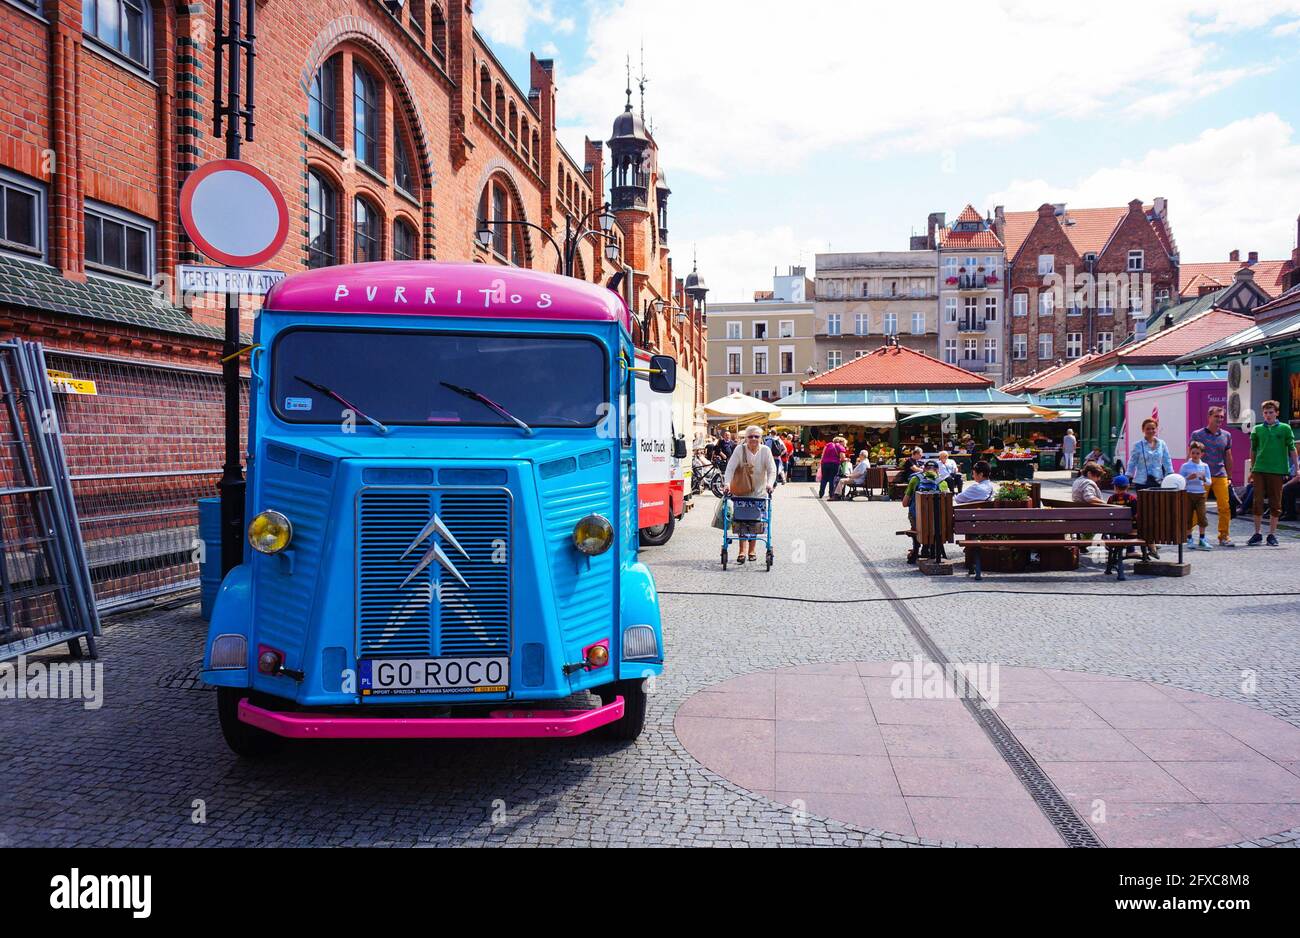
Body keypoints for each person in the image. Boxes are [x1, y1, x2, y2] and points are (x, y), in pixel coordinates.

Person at [722, 425, 778, 564]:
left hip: (759, 492)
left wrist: (770, 484)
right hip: (741, 492)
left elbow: (772, 470)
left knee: (755, 522)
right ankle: (742, 551)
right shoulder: (739, 450)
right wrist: (727, 483)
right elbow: (730, 468)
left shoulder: (766, 451)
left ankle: (752, 550)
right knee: (741, 521)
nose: (753, 439)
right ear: (746, 438)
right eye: (750, 436)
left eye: (756, 436)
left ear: (761, 438)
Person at [1247, 400, 1298, 547]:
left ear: (1277, 413)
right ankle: (1257, 534)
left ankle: (1272, 534)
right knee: (1257, 501)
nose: (1268, 415)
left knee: (1276, 502)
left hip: (1277, 470)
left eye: (1271, 412)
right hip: (1260, 469)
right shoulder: (1257, 429)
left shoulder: (1285, 428)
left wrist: (1297, 467)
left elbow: (1292, 448)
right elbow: (1253, 450)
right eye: (1265, 413)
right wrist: (1252, 467)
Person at [1190, 405, 1236, 547]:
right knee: (1198, 506)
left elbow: (1228, 456)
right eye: (1216, 416)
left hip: (1220, 473)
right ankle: (1187, 533)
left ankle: (1224, 536)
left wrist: (1229, 476)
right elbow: (1191, 454)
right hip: (1202, 473)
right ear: (1209, 417)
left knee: (1224, 506)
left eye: (1222, 417)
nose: (1219, 419)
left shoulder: (1226, 435)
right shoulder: (1197, 434)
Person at [902, 459, 950, 562]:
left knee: (915, 517)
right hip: (938, 525)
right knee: (935, 519)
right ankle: (929, 548)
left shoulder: (915, 480)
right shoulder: (943, 482)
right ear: (937, 470)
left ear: (924, 469)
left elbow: (904, 503)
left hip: (918, 523)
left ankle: (917, 549)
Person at [1180, 440, 1214, 551]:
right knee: (1188, 517)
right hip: (1189, 494)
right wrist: (1188, 478)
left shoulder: (1204, 466)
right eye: (1193, 453)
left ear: (1202, 454)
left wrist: (1204, 478)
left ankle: (1202, 539)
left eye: (1197, 453)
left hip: (1200, 494)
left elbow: (1209, 482)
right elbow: (1180, 481)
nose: (1195, 455)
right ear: (1190, 453)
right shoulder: (1185, 466)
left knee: (1202, 517)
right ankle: (1189, 538)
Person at [1127, 419, 1172, 490]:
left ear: (1156, 429)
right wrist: (1128, 476)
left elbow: (1167, 460)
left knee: (1158, 501)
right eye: (1148, 429)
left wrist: (1170, 473)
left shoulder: (1162, 444)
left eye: (1153, 428)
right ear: (1143, 430)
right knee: (1143, 501)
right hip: (1141, 482)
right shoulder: (1137, 445)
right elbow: (1132, 462)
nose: (1151, 431)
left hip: (1158, 481)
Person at [1106, 474, 1141, 557]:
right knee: (1134, 525)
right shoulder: (1132, 498)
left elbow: (1108, 513)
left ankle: (1120, 550)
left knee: (1125, 527)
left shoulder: (1111, 499)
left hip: (1116, 529)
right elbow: (1136, 514)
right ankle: (1130, 550)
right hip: (1132, 530)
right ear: (1128, 486)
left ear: (1115, 487)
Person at [817, 435, 847, 500]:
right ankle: (831, 494)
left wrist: (822, 462)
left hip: (825, 464)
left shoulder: (828, 445)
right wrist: (846, 459)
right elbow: (842, 458)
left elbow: (823, 454)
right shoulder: (840, 447)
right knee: (832, 479)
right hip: (834, 464)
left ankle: (821, 493)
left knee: (824, 478)